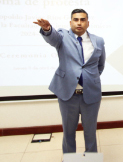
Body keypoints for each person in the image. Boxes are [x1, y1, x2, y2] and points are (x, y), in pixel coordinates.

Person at [33, 9, 105, 153]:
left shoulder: (98, 40)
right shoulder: (62, 36)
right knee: (68, 133)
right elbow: (52, 37)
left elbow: (100, 65)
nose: (79, 23)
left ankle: (91, 159)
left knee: (91, 133)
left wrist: (91, 78)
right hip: (68, 95)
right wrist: (47, 29)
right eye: (76, 19)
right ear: (70, 22)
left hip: (91, 94)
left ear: (88, 23)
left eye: (83, 19)